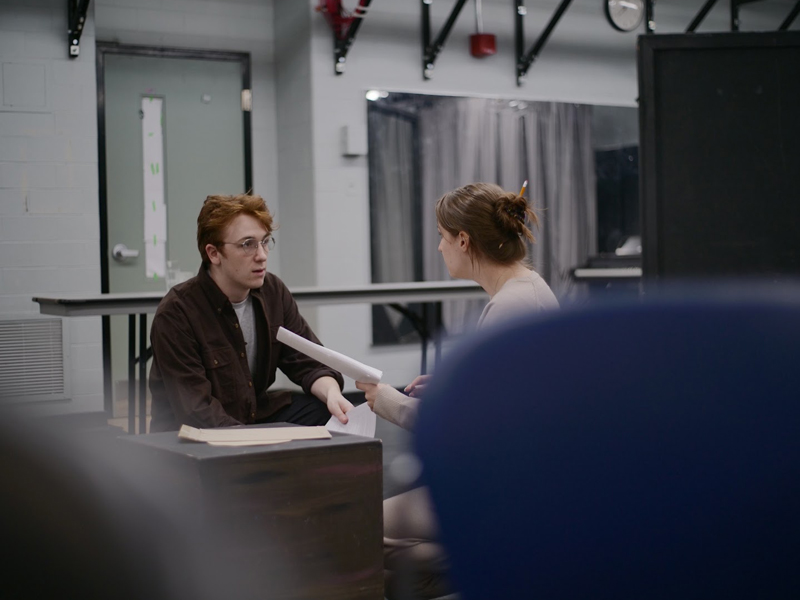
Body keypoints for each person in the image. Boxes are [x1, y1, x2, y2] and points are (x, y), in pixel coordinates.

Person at [356, 182, 559, 599]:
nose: (439, 247)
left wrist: (389, 403)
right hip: (523, 484)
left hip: (502, 492)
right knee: (391, 567)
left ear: (463, 240)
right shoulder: (527, 290)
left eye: (443, 237)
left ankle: (490, 561)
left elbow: (466, 432)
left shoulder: (509, 307)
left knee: (359, 532)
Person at [149, 193, 352, 433]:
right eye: (248, 244)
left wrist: (331, 393)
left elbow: (308, 361)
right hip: (193, 438)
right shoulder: (177, 313)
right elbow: (197, 413)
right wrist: (260, 444)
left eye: (265, 241)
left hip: (252, 417)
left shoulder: (272, 291)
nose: (262, 255)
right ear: (214, 254)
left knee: (324, 410)